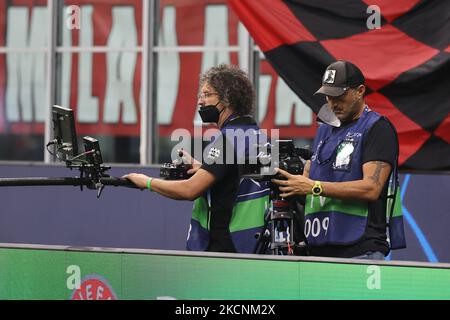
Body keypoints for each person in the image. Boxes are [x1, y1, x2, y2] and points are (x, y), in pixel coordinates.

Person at [123, 64, 269, 253]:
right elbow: (239, 178)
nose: (201, 101)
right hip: (255, 245)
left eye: (208, 94)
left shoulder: (227, 139)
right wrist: (206, 168)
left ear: (228, 99)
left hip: (225, 248)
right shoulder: (260, 136)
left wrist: (146, 182)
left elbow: (190, 189)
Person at [272, 60, 406, 259]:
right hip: (319, 248)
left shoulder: (377, 128)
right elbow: (311, 183)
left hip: (360, 249)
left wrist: (313, 186)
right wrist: (294, 184)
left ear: (360, 91)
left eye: (340, 95)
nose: (333, 103)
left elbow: (371, 188)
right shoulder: (324, 130)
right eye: (328, 95)